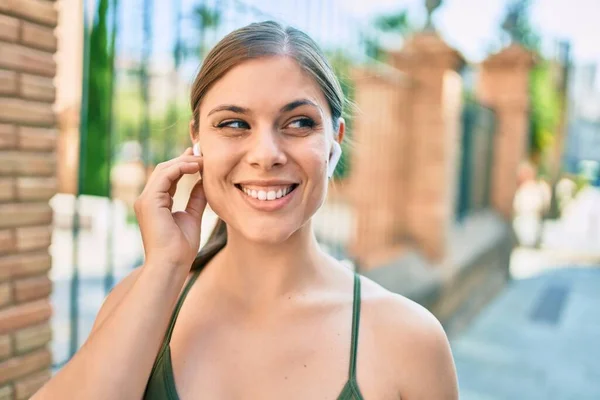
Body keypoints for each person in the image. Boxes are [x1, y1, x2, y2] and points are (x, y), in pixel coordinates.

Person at [34, 21, 458, 399]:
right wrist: (165, 267)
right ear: (197, 140)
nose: (266, 154)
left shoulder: (409, 339)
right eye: (234, 124)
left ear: (335, 141)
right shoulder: (140, 300)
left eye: (299, 123)